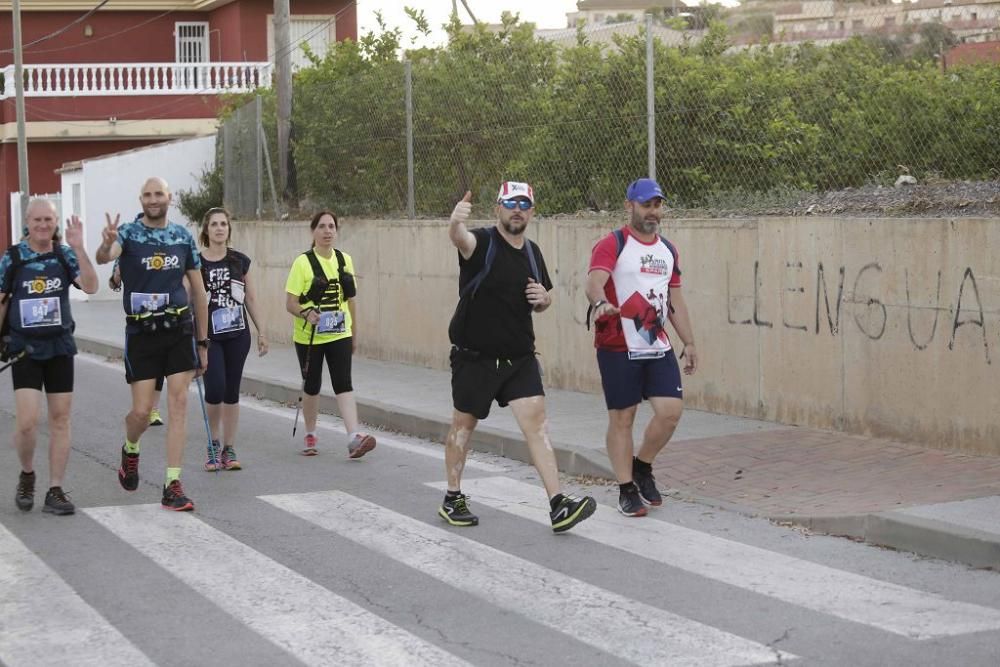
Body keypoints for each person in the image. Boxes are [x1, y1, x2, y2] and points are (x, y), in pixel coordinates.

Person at [441, 182, 596, 533]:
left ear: (532, 211)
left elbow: (542, 301)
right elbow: (459, 239)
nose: (517, 210)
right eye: (511, 203)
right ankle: (452, 497)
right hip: (475, 357)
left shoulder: (532, 252)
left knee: (537, 426)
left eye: (524, 204)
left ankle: (558, 505)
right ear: (498, 207)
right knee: (463, 427)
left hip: (518, 357)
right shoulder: (481, 243)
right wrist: (454, 223)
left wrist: (545, 299)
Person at [585, 177, 699, 517]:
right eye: (646, 204)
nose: (653, 211)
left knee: (670, 412)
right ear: (630, 206)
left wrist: (689, 341)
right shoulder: (613, 243)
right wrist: (600, 302)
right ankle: (625, 487)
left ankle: (642, 466)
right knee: (623, 416)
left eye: (657, 205)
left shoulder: (668, 250)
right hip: (618, 344)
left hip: (654, 339)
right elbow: (594, 281)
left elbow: (674, 298)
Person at [96, 177, 210, 511]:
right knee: (142, 413)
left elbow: (200, 293)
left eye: (158, 193)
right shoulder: (129, 233)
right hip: (142, 334)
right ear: (141, 199)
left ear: (169, 197)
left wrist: (202, 342)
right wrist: (105, 245)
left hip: (178, 330)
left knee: (178, 404)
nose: (153, 199)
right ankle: (131, 448)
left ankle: (172, 483)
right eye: (147, 194)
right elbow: (106, 257)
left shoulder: (182, 237)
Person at [1, 199, 99, 515]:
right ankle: (28, 473)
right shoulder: (13, 257)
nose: (43, 225)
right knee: (28, 423)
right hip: (25, 349)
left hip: (59, 347)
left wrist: (79, 248)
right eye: (38, 219)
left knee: (60, 418)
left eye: (49, 219)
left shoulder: (64, 254)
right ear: (27, 221)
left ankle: (55, 490)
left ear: (55, 222)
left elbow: (91, 286)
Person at [284, 211, 376, 458]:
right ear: (313, 231)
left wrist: (354, 333)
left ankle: (353, 437)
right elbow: (290, 303)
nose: (327, 231)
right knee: (312, 386)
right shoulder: (302, 263)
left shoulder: (344, 260)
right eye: (322, 227)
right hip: (309, 336)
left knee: (343, 382)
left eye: (332, 227)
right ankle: (311, 432)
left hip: (339, 332)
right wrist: (306, 313)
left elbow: (351, 300)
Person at [198, 207, 268, 470]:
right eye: (214, 224)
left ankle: (229, 448)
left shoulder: (240, 261)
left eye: (223, 224)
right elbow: (188, 298)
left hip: (238, 334)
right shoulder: (196, 262)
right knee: (214, 388)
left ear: (229, 229)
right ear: (206, 229)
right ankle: (213, 443)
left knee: (231, 390)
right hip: (210, 337)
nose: (219, 228)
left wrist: (262, 331)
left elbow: (250, 297)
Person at [110, 257, 164, 426]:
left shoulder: (163, 252)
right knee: (139, 366)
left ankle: (153, 410)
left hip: (161, 313)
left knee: (159, 364)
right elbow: (114, 284)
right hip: (138, 319)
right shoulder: (125, 252)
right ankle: (141, 406)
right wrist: (117, 276)